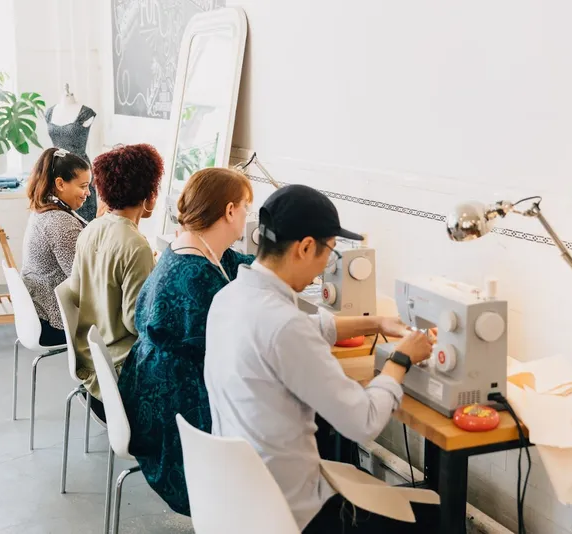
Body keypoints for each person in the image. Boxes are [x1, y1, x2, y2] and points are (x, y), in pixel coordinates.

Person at [204, 184, 438, 533]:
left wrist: (375, 322)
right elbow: (365, 421)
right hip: (292, 515)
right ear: (306, 247)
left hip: (238, 501)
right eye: (329, 251)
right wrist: (401, 359)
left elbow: (308, 328)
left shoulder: (229, 299)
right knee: (433, 516)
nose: (326, 265)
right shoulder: (285, 326)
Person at [118, 167, 254, 515]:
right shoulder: (198, 277)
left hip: (149, 395)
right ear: (229, 211)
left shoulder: (185, 248)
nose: (247, 217)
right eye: (246, 208)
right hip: (177, 418)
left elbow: (238, 262)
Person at [68, 143, 163, 422]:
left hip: (91, 368)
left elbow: (75, 291)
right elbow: (138, 323)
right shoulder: (136, 246)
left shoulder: (91, 229)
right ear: (149, 195)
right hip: (120, 376)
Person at [22, 148, 92, 346]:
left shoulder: (45, 209)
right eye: (83, 186)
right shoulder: (59, 222)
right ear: (60, 183)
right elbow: (83, 281)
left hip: (37, 314)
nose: (88, 193)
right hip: (53, 322)